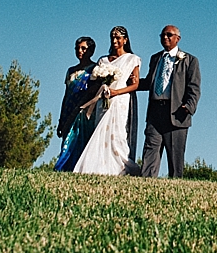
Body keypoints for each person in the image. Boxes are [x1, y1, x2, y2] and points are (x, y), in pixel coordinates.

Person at [74, 26, 142, 176]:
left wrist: (116, 92)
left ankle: (120, 168)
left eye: (118, 37)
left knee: (117, 135)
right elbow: (93, 83)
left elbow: (135, 85)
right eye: (112, 37)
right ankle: (98, 166)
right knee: (100, 131)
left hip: (120, 101)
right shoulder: (103, 60)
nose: (115, 40)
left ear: (125, 40)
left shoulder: (132, 59)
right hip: (102, 100)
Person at [140, 25, 200, 178]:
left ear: (177, 38)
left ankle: (176, 187)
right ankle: (146, 183)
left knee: (175, 157)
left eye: (169, 35)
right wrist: (126, 82)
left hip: (177, 112)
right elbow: (149, 82)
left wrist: (189, 106)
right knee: (150, 150)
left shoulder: (189, 60)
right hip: (155, 112)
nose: (165, 38)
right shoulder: (155, 58)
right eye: (162, 35)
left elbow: (194, 87)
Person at [54, 36, 99, 172]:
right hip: (69, 110)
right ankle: (63, 169)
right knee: (67, 142)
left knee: (80, 141)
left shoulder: (94, 69)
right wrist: (61, 118)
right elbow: (66, 93)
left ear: (91, 51)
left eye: (83, 48)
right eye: (77, 48)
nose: (80, 51)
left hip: (84, 112)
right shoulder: (71, 71)